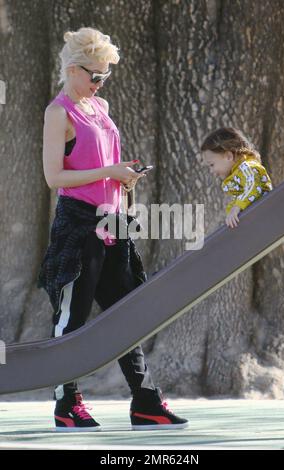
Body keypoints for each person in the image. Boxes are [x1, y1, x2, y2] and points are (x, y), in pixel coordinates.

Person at [37, 27, 188, 432]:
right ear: (72, 69)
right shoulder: (58, 112)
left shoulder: (99, 106)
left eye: (105, 76)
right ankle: (66, 404)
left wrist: (126, 178)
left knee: (127, 317)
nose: (101, 83)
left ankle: (146, 403)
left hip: (114, 224)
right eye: (95, 75)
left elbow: (105, 163)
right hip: (79, 227)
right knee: (72, 320)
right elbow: (54, 177)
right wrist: (109, 171)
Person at [201, 127, 273, 228]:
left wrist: (236, 208)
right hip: (257, 220)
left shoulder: (248, 167)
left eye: (212, 164)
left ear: (229, 156)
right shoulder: (238, 175)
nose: (211, 171)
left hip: (266, 214)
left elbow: (253, 186)